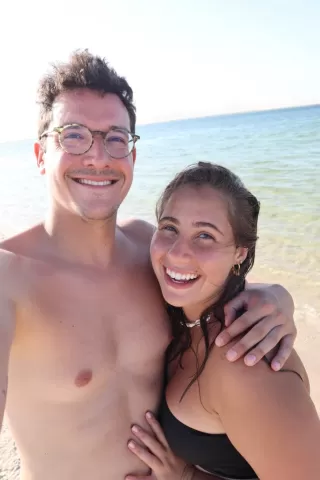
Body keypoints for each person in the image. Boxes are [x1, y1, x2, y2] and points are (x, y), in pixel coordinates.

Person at [0, 51, 297, 480]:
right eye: (73, 135)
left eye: (116, 138)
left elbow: (215, 290)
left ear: (133, 157)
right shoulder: (10, 276)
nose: (98, 156)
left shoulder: (151, 248)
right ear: (40, 154)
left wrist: (275, 298)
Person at [125, 162, 320, 480]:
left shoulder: (247, 362)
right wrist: (279, 294)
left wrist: (187, 476)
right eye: (169, 228)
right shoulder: (181, 316)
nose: (177, 253)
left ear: (240, 253)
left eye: (205, 235)